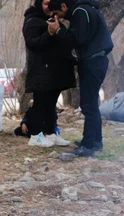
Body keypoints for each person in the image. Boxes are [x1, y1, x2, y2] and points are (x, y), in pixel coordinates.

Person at [47, 0, 113, 157]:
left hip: (92, 62)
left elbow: (76, 40)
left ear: (63, 6)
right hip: (97, 60)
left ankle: (88, 146)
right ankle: (96, 142)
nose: (58, 18)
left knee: (88, 104)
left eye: (57, 13)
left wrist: (57, 31)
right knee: (91, 103)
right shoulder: (88, 9)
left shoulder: (80, 12)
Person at [16, 0, 76, 149]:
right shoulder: (32, 21)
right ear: (38, 4)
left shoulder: (53, 20)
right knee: (40, 104)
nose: (49, 7)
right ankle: (36, 136)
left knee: (50, 105)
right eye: (45, 3)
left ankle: (51, 134)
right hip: (41, 71)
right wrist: (49, 34)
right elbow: (33, 43)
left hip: (55, 71)